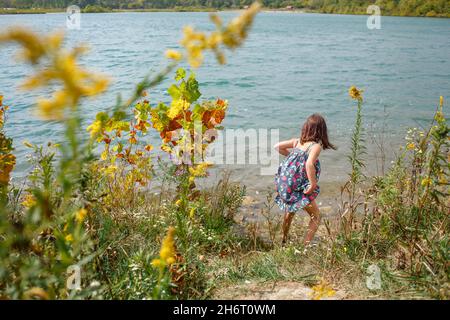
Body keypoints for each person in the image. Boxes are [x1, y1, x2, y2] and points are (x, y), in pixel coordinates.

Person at [274, 113, 336, 245]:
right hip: (298, 186)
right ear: (321, 131)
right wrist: (313, 184)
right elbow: (309, 164)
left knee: (290, 212)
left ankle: (283, 241)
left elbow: (277, 147)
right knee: (316, 216)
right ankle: (304, 246)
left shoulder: (297, 142)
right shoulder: (315, 146)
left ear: (306, 128)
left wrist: (292, 157)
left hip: (285, 182)